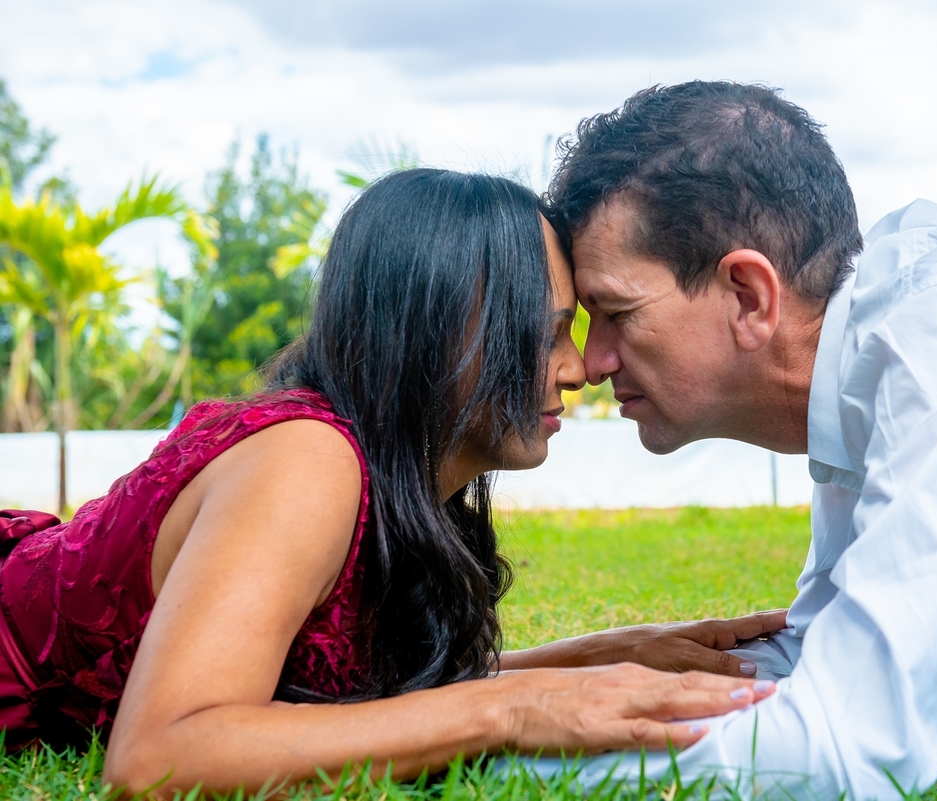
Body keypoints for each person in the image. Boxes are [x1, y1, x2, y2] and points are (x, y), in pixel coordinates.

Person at [0, 168, 782, 796]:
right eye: (544, 334)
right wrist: (509, 708)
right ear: (436, 332)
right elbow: (157, 755)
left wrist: (604, 654)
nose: (577, 369)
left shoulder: (384, 477)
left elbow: (346, 703)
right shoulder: (303, 458)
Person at [540, 81, 937, 799]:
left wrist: (491, 748)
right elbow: (825, 655)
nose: (591, 362)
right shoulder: (869, 369)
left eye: (614, 312)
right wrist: (493, 694)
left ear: (749, 296)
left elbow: (852, 746)